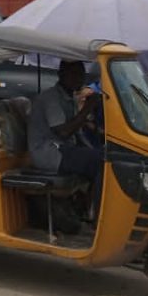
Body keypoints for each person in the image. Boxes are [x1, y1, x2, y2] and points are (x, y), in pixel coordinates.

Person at [27, 60, 104, 215]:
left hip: (63, 149)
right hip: (49, 153)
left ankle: (85, 207)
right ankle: (97, 215)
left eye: (81, 74)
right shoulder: (51, 98)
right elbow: (64, 132)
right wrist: (88, 107)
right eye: (74, 74)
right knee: (101, 162)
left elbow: (78, 132)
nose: (79, 78)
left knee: (103, 156)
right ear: (61, 74)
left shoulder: (69, 97)